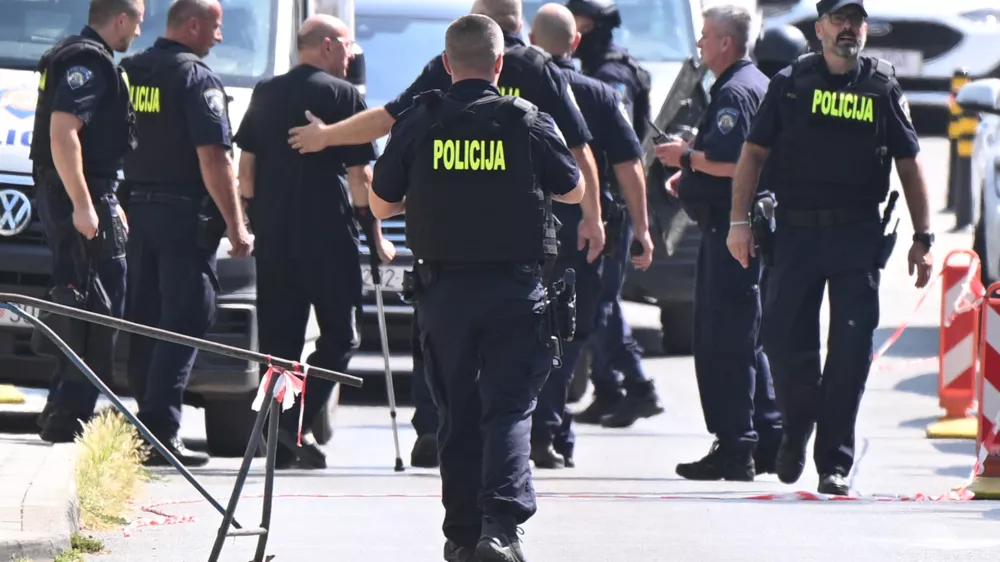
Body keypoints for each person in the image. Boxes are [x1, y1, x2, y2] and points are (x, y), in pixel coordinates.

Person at [288, 0, 607, 468]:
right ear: (508, 42)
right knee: (511, 388)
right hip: (514, 265)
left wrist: (328, 137)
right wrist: (593, 217)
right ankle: (519, 460)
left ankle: (434, 438)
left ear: (451, 58)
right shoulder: (539, 78)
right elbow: (577, 154)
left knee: (446, 372)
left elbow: (389, 121)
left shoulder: (438, 87)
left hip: (443, 263)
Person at [370, 15, 585, 562]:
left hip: (443, 294)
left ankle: (462, 535)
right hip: (514, 290)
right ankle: (500, 528)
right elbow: (573, 190)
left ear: (446, 64)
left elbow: (381, 203)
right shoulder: (527, 120)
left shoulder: (418, 122)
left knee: (457, 413)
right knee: (508, 408)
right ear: (499, 64)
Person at [727, 0, 933, 496]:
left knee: (850, 354)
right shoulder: (791, 84)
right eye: (839, 20)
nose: (849, 29)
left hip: (856, 235)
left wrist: (923, 238)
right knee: (783, 343)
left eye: (856, 21)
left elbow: (909, 163)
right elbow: (753, 153)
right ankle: (797, 425)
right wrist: (739, 222)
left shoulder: (881, 87)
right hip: (795, 235)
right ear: (820, 28)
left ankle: (834, 463)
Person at [233, 15, 394, 469]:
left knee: (279, 344)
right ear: (327, 45)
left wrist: (251, 220)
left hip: (276, 239)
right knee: (341, 335)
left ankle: (281, 433)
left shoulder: (265, 92)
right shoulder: (343, 96)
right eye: (348, 45)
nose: (352, 54)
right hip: (329, 239)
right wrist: (376, 236)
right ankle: (294, 424)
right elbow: (360, 178)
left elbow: (246, 170)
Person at [119, 0, 253, 467]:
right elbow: (214, 158)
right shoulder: (196, 79)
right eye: (216, 27)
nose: (219, 36)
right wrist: (237, 226)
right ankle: (160, 431)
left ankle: (145, 427)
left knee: (144, 319)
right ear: (193, 25)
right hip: (181, 218)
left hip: (136, 211)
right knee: (187, 316)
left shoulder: (131, 70)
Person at [654, 4, 783, 482]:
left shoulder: (735, 91)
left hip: (733, 234)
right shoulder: (752, 84)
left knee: (723, 340)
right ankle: (765, 437)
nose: (700, 43)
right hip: (739, 230)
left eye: (706, 35)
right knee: (745, 338)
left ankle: (735, 447)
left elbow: (735, 163)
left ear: (726, 42)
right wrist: (691, 173)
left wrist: (685, 158)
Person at [526, 3, 653, 470]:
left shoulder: (513, 86)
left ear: (531, 41)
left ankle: (540, 428)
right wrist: (642, 229)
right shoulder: (597, 92)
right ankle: (549, 429)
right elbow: (630, 164)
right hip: (582, 231)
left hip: (519, 227)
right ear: (575, 42)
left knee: (522, 329)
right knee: (567, 333)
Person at [31, 0, 144, 443]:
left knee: (75, 296)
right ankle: (71, 414)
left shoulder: (72, 52)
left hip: (79, 190)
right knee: (97, 305)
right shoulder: (90, 61)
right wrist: (84, 204)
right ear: (121, 19)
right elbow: (64, 132)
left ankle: (61, 404)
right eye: (137, 23)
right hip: (78, 192)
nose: (138, 33)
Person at [564, 0, 662, 429]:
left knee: (600, 302)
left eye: (577, 19)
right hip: (597, 201)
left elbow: (620, 150)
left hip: (607, 205)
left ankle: (639, 387)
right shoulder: (598, 68)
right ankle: (608, 390)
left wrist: (638, 222)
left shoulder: (611, 77)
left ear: (591, 24)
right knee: (594, 298)